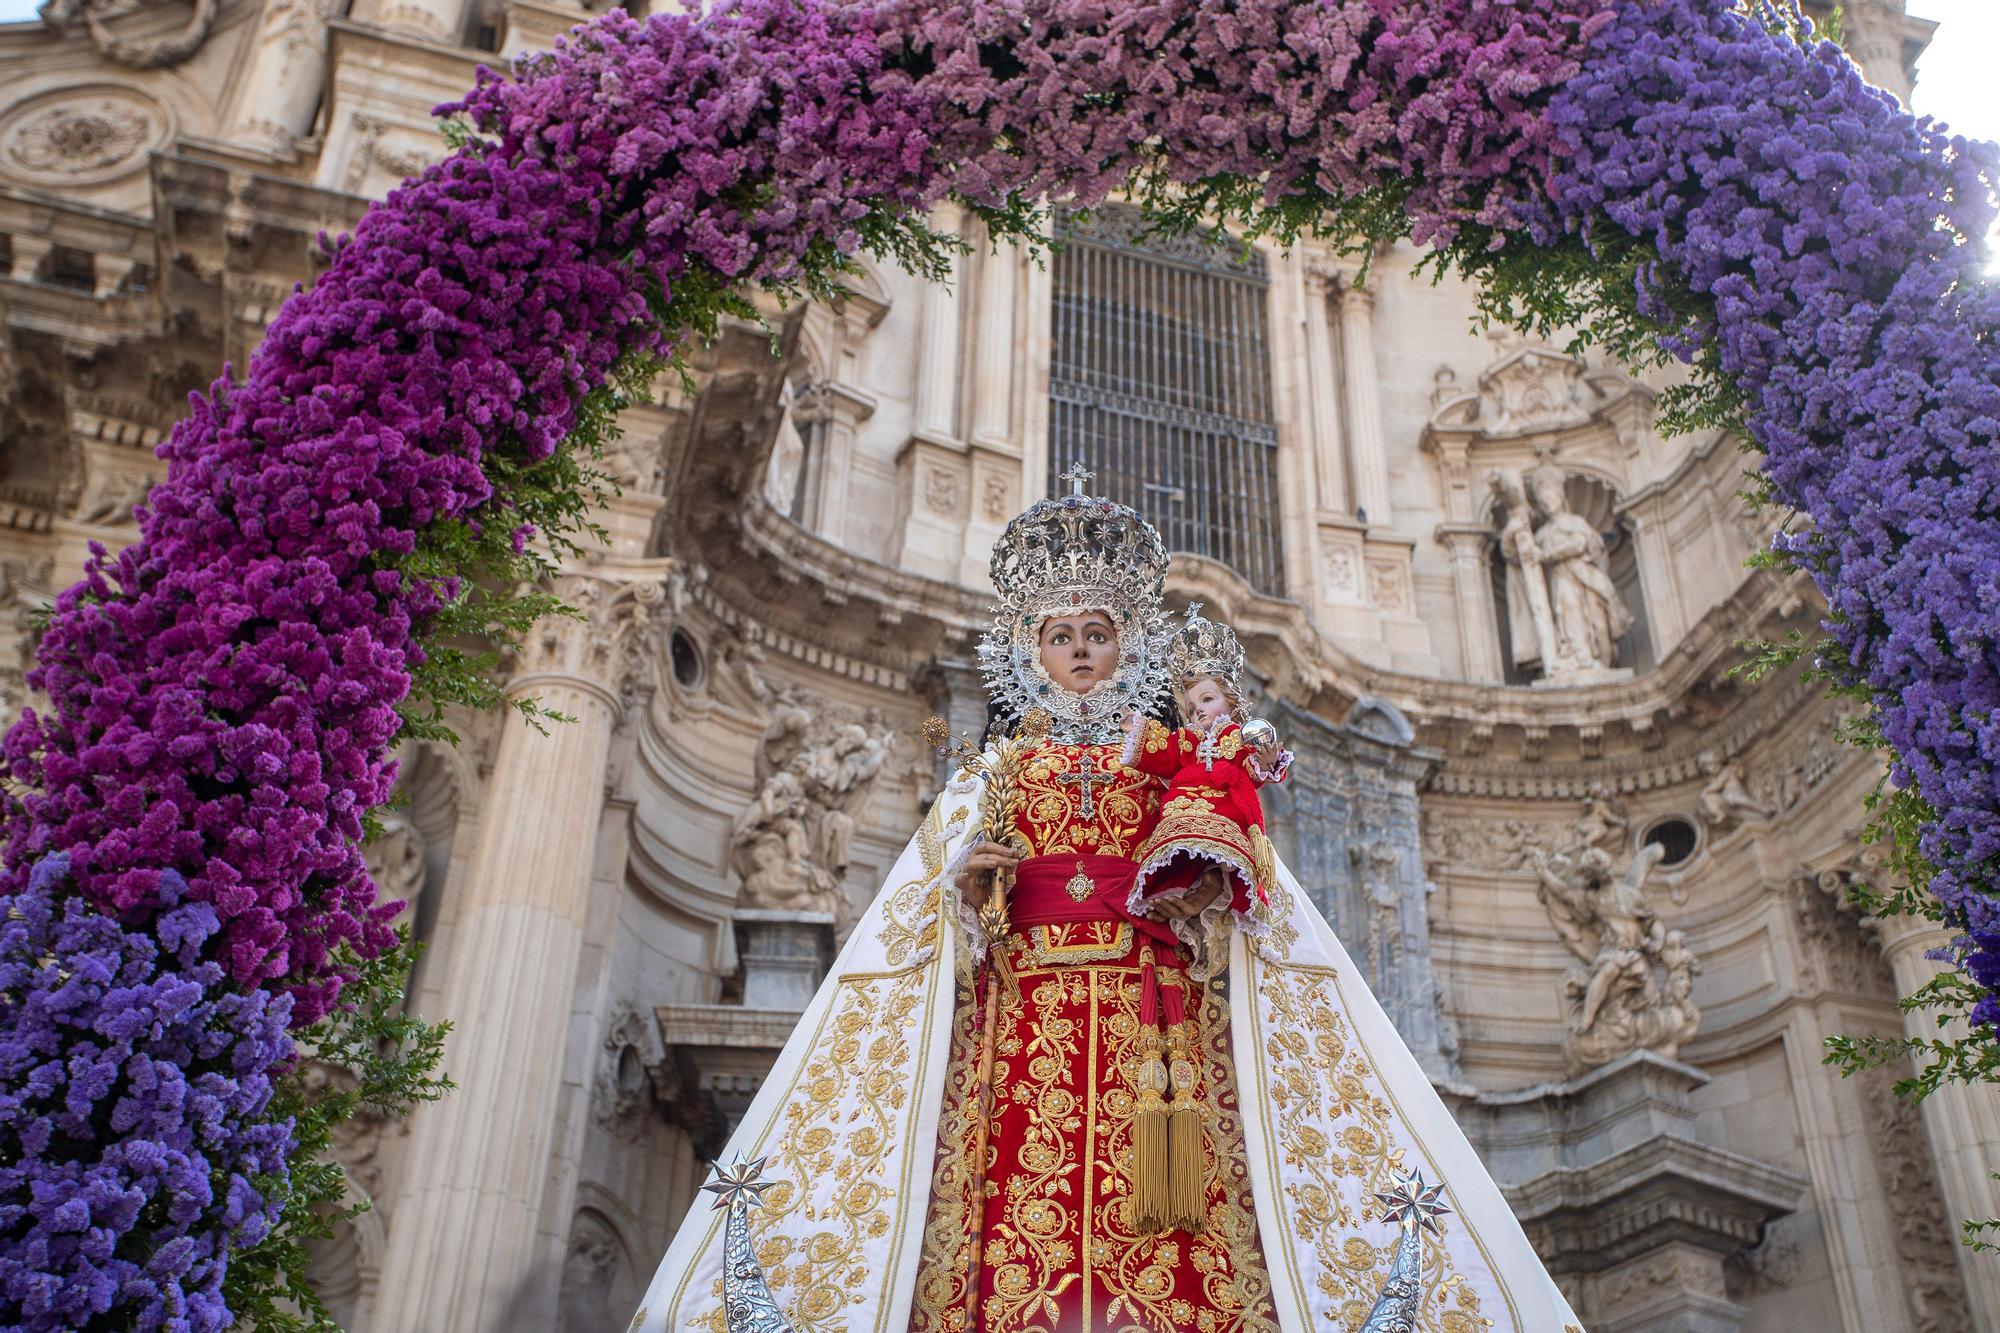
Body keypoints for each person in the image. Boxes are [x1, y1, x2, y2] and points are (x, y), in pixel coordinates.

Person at [630, 469, 1587, 1333]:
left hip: (1154, 1030)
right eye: (1060, 636)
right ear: (1030, 650)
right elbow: (927, 920)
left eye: (1097, 635)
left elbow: (1240, 890)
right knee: (1004, 1223)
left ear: (1126, 650)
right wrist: (972, 893)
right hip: (1020, 1021)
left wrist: (1203, 891)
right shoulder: (994, 770)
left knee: (1171, 1232)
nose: (1080, 651)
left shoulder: (1171, 772)